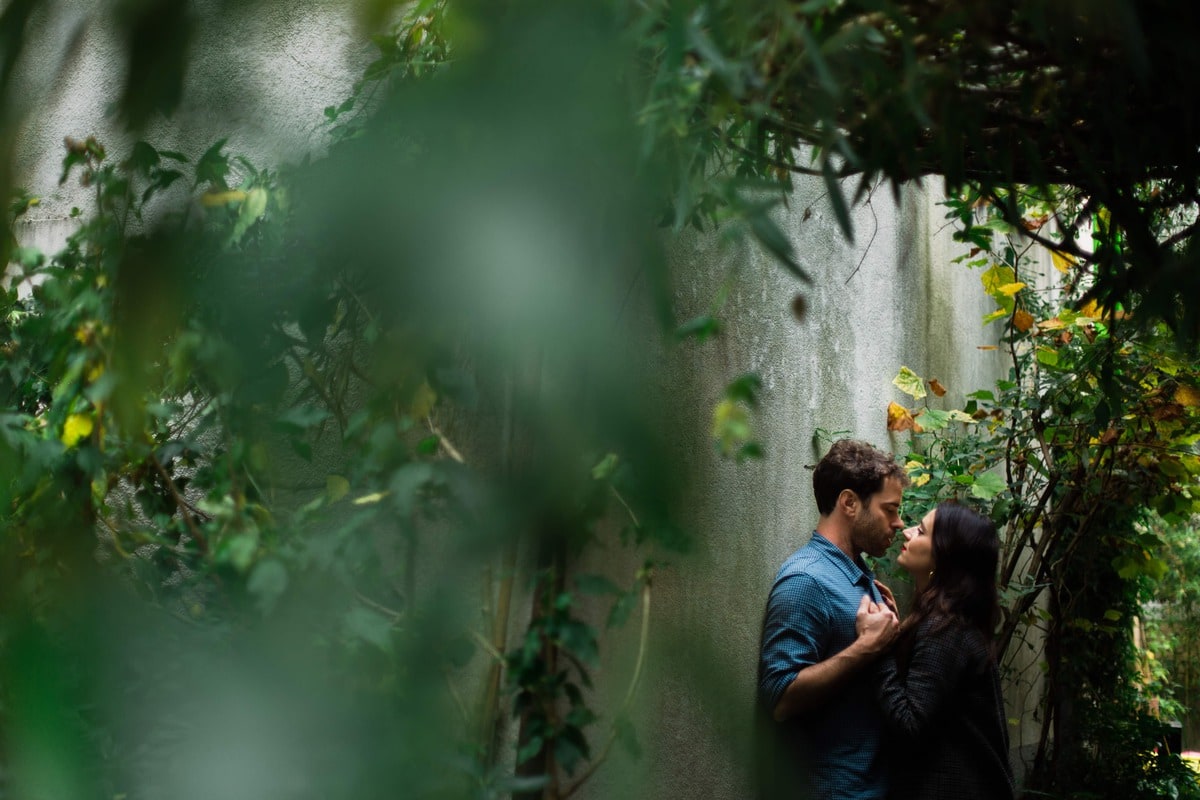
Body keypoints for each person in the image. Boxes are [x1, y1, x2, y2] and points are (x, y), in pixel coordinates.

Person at [758, 439, 909, 800]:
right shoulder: (805, 580)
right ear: (849, 503)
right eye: (889, 510)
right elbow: (780, 699)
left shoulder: (858, 575)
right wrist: (866, 648)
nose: (899, 523)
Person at [869, 502, 1015, 800]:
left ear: (944, 556)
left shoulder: (947, 629)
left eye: (921, 531)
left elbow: (909, 724)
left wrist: (877, 647)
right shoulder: (947, 621)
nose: (907, 533)